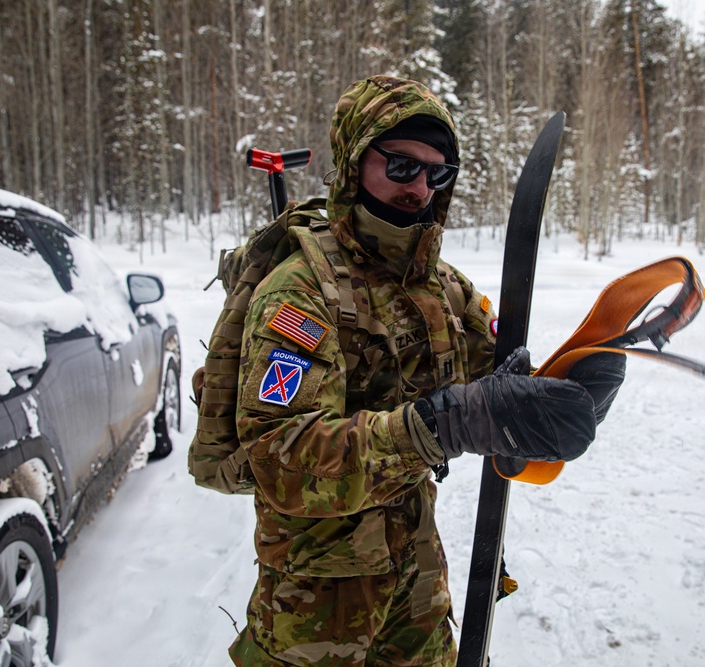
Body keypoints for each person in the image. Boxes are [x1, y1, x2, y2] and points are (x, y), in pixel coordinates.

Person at [228, 75, 623, 667]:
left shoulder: (441, 288)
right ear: (355, 159)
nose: (421, 187)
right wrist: (442, 426)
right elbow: (281, 459)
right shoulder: (301, 296)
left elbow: (498, 390)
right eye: (402, 165)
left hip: (417, 586)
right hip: (314, 609)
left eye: (437, 173)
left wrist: (568, 390)